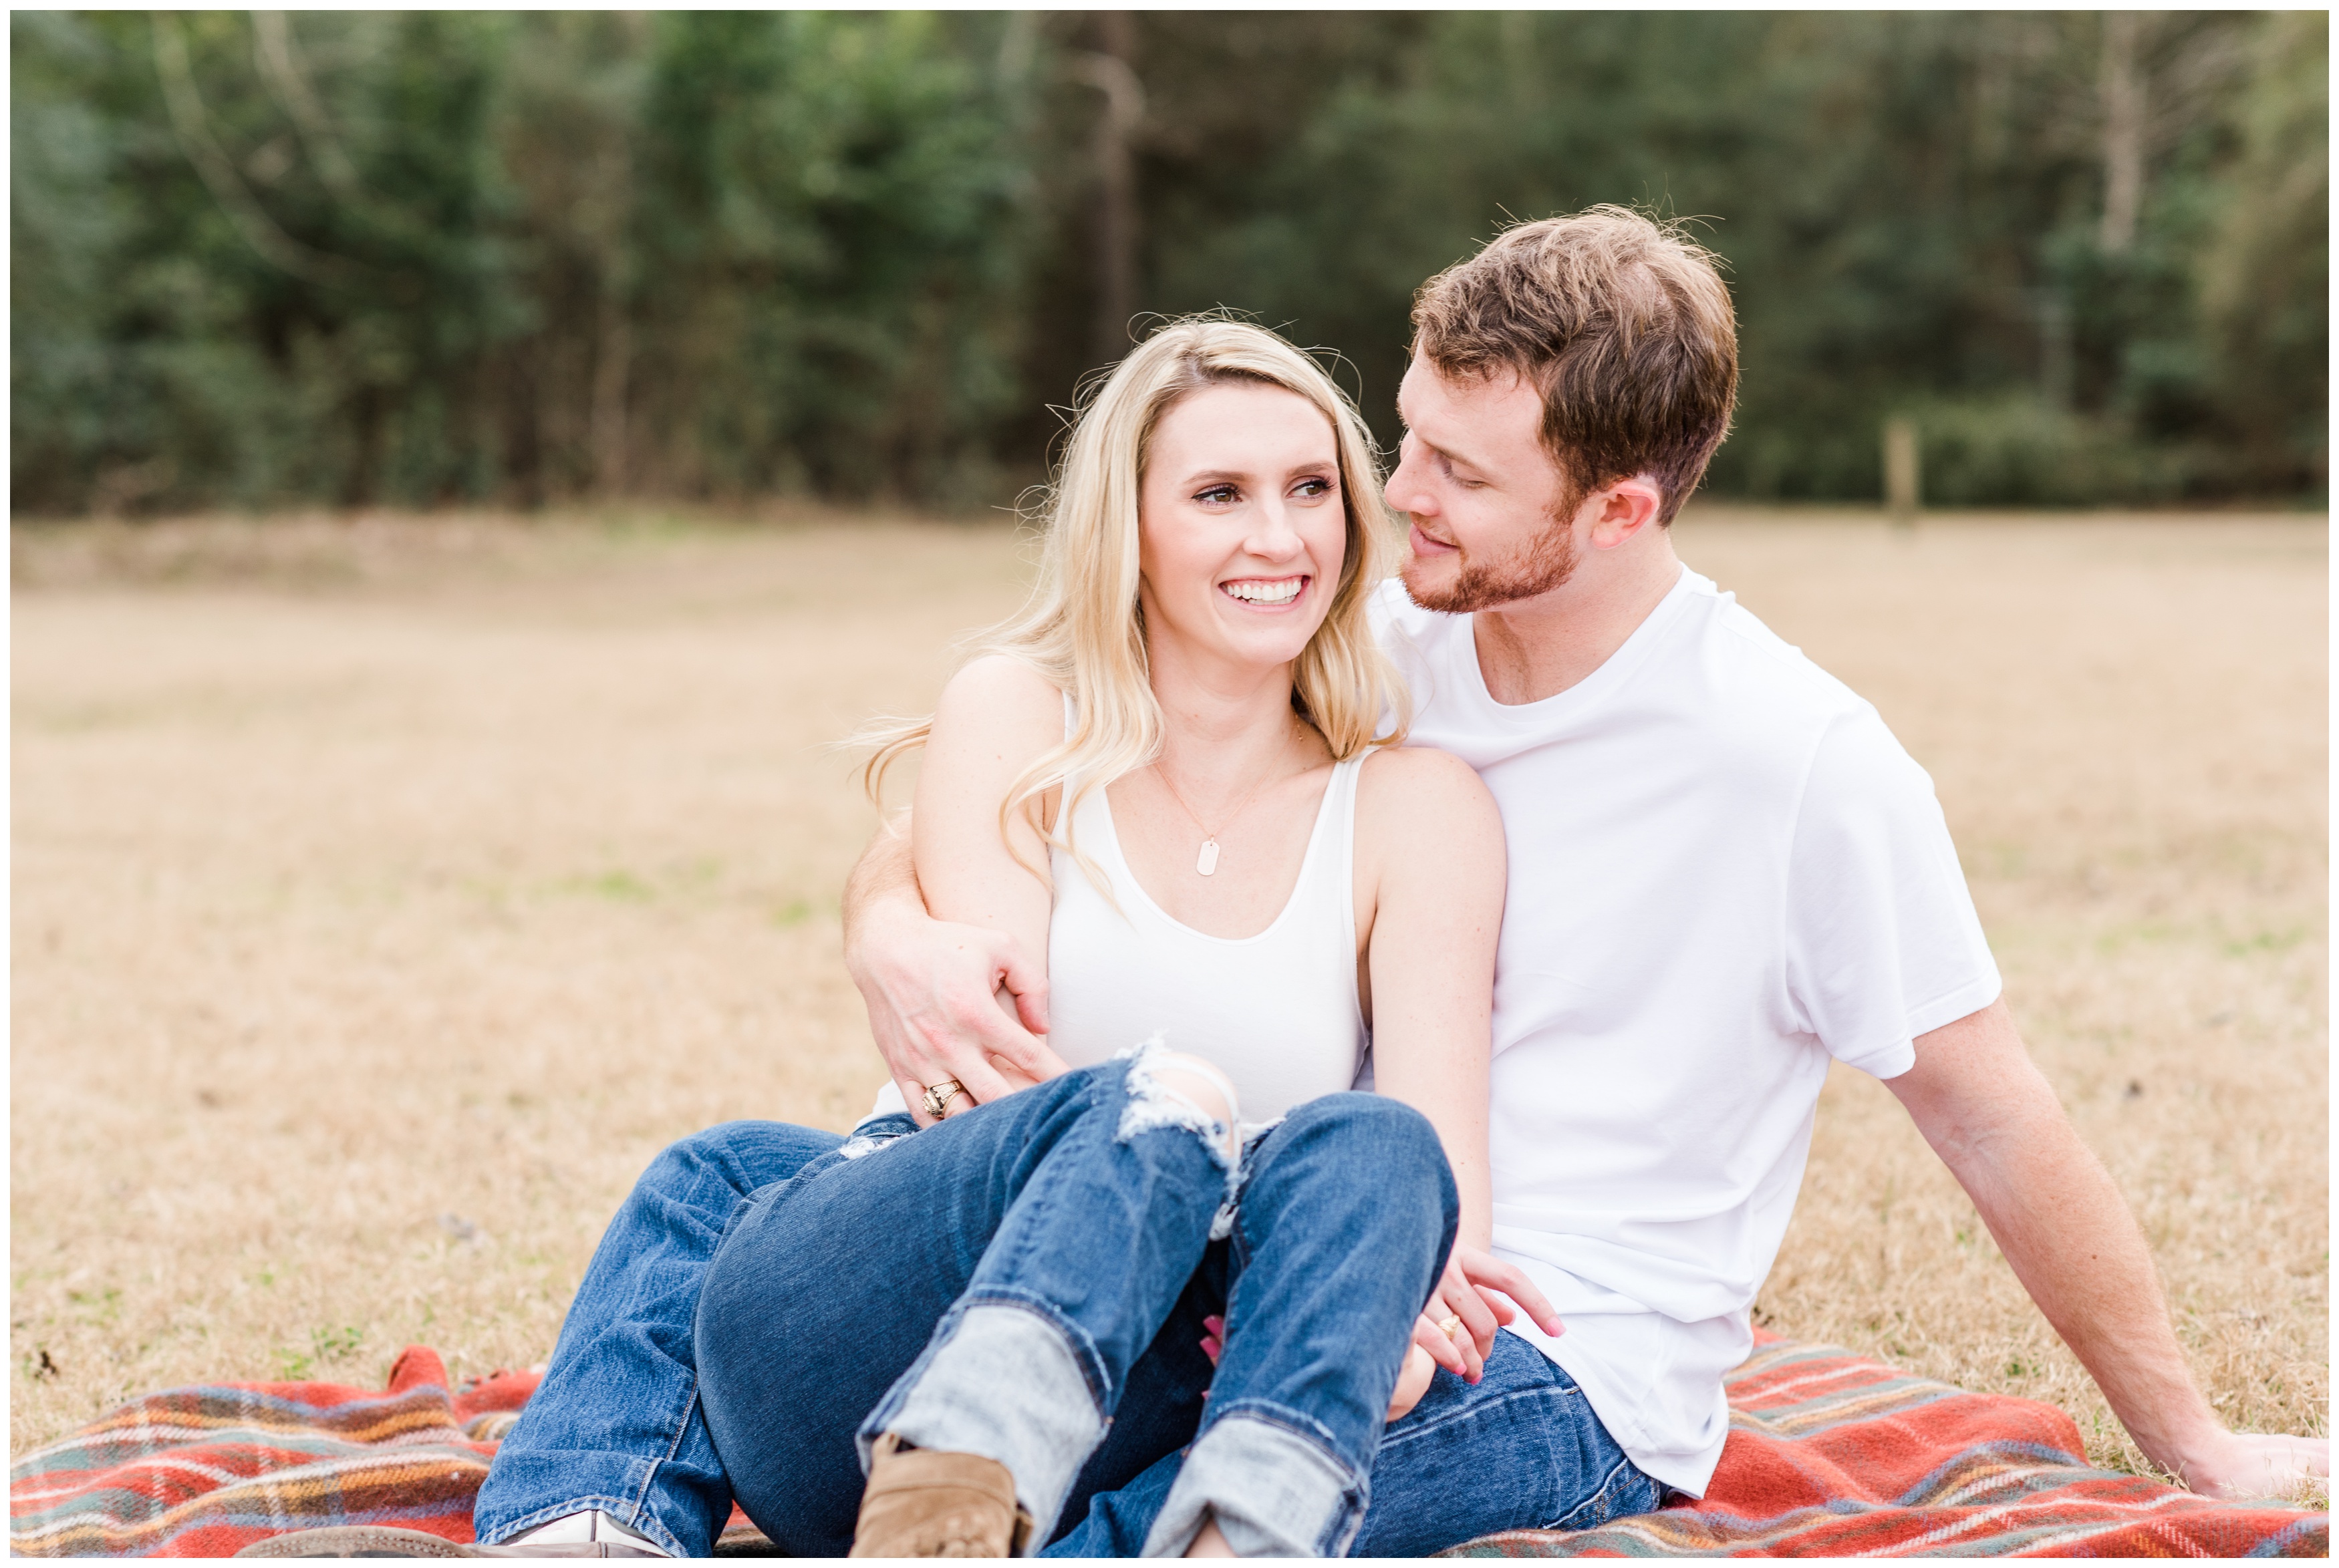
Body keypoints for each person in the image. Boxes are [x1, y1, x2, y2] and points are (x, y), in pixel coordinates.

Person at [843, 207, 2330, 1555]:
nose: (1389, 491)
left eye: (1459, 473)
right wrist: (889, 928)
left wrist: (2192, 1443)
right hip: (1288, 1266)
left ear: (1619, 509)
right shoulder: (1362, 631)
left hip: (1558, 1357)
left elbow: (1995, 1119)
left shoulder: (1796, 762)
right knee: (914, 1433)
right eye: (1408, 434)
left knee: (1166, 1530)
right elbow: (1026, 760)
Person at [249, 318, 1559, 1562]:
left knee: (1375, 1145)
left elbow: (1442, 1205)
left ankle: (1231, 1534)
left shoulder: (1414, 809)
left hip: (1164, 1388)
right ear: (1132, 529)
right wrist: (1284, 1236)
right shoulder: (1017, 718)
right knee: (1111, 1111)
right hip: (897, 1355)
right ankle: (910, 1471)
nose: (1278, 536)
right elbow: (987, 1096)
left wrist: (1369, 1276)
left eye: (1311, 488)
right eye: (1218, 493)